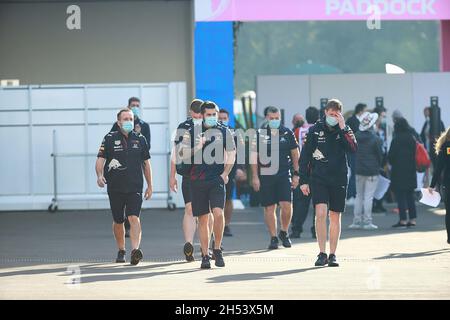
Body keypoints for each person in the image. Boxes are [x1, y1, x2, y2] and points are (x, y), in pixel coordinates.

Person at [299, 99, 357, 267]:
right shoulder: (315, 130)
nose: (333, 117)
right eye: (330, 114)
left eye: (336, 115)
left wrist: (343, 127)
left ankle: (333, 254)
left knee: (335, 216)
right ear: (325, 112)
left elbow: (353, 148)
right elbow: (305, 156)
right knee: (321, 213)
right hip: (319, 178)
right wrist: (303, 180)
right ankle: (322, 253)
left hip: (339, 177)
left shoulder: (344, 129)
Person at [178, 101, 236, 269]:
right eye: (208, 115)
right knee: (203, 219)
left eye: (214, 115)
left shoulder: (224, 131)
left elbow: (232, 154)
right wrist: (198, 146)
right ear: (202, 115)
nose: (212, 118)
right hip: (196, 181)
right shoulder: (192, 132)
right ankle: (204, 254)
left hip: (216, 179)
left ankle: (217, 248)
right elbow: (182, 154)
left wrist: (225, 174)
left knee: (218, 213)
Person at [96, 108, 152, 265]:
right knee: (118, 221)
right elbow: (100, 160)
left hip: (135, 187)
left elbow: (146, 164)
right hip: (115, 187)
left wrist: (150, 185)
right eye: (125, 119)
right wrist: (99, 176)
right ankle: (121, 249)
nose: (129, 122)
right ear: (119, 122)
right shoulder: (109, 138)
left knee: (134, 217)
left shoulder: (140, 139)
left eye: (131, 119)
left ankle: (135, 251)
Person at [170, 99, 214, 262]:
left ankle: (205, 247)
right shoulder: (184, 127)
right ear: (190, 113)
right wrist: (172, 176)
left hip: (209, 175)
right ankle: (189, 244)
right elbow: (176, 153)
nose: (197, 117)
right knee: (190, 209)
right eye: (194, 114)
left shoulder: (212, 126)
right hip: (189, 174)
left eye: (199, 115)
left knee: (206, 212)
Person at [251, 106, 300, 250]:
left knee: (286, 205)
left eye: (277, 118)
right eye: (271, 118)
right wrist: (255, 177)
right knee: (269, 207)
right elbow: (254, 156)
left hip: (284, 175)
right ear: (267, 118)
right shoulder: (259, 134)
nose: (274, 121)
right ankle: (273, 237)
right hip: (266, 176)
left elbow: (295, 154)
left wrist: (297, 174)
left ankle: (284, 232)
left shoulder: (287, 132)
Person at [111, 97, 151, 238]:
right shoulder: (118, 124)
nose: (135, 107)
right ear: (128, 106)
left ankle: (131, 225)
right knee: (119, 211)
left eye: (137, 105)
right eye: (133, 105)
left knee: (133, 206)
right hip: (121, 167)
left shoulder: (144, 125)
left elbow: (146, 148)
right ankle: (123, 225)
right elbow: (111, 142)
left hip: (136, 163)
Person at [349, 112, 382, 230]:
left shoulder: (356, 136)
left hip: (358, 169)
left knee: (359, 196)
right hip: (372, 171)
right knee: (368, 197)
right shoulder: (376, 138)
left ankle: (356, 221)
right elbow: (380, 155)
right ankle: (368, 222)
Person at [290, 106, 319, 238]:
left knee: (302, 202)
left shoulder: (298, 130)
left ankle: (296, 229)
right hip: (318, 169)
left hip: (303, 169)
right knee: (318, 202)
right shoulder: (321, 129)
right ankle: (316, 230)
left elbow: (294, 151)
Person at [218, 108, 246, 237]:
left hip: (230, 170)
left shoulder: (235, 133)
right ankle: (215, 225)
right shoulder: (211, 132)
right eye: (220, 118)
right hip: (214, 170)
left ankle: (226, 225)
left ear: (228, 119)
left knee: (228, 198)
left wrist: (241, 168)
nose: (222, 120)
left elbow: (240, 152)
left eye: (224, 118)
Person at [388, 117, 417, 228]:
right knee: (410, 196)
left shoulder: (396, 139)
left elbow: (391, 156)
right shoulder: (411, 138)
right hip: (410, 170)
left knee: (400, 196)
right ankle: (413, 219)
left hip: (398, 171)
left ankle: (403, 220)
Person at [428, 127, 450, 244]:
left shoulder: (445, 147)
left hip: (447, 183)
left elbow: (438, 169)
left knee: (449, 211)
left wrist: (432, 185)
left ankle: (449, 237)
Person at [346, 103, 368, 203]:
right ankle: (351, 195)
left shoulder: (359, 121)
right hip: (352, 151)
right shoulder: (352, 121)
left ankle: (355, 194)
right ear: (360, 111)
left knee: (357, 173)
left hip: (359, 151)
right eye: (365, 111)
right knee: (354, 173)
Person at [372, 105, 388, 213]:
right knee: (373, 181)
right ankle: (373, 204)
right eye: (382, 116)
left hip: (383, 157)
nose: (383, 118)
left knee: (382, 180)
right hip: (374, 158)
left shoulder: (383, 128)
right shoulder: (371, 128)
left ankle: (380, 202)